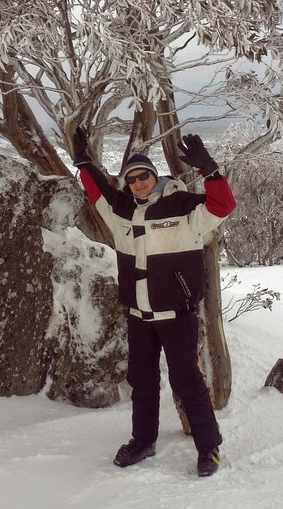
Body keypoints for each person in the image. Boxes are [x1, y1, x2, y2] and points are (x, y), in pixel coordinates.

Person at [72, 128, 236, 478]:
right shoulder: (121, 212)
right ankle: (143, 441)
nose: (138, 183)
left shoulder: (183, 207)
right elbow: (97, 192)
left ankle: (209, 448)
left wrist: (210, 170)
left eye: (143, 175)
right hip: (138, 317)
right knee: (142, 382)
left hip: (177, 316)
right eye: (131, 179)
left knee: (186, 381)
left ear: (154, 175)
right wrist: (84, 162)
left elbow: (223, 205)